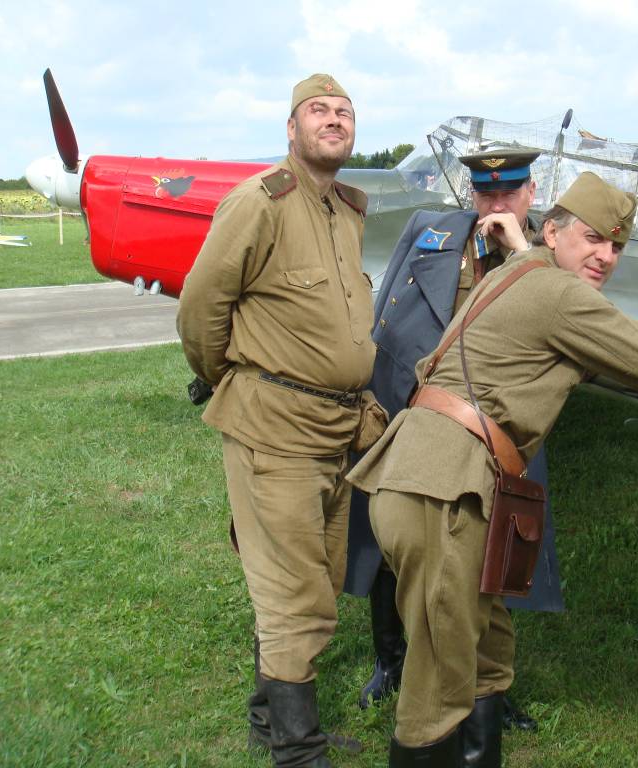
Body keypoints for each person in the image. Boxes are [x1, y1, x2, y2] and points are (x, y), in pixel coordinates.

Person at [348, 172, 638, 766]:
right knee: (438, 684)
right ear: (551, 233)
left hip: (429, 476)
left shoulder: (516, 274)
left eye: (616, 246)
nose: (605, 256)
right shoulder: (559, 293)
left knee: (487, 653)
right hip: (443, 492)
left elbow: (585, 344)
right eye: (593, 238)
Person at [177, 73, 373, 768]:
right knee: (296, 596)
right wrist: (230, 378)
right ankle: (298, 751)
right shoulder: (258, 202)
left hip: (338, 431)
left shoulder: (346, 210)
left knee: (318, 576)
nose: (334, 119)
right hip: (276, 430)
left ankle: (269, 718)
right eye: (318, 110)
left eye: (344, 112)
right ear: (291, 128)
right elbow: (201, 306)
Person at [345, 149, 560, 730]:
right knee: (392, 543)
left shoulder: (543, 254)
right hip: (411, 406)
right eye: (486, 193)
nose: (497, 204)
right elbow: (386, 306)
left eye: (509, 193)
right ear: (471, 194)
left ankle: (489, 689)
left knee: (494, 549)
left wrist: (522, 250)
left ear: (530, 193)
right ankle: (391, 661)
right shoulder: (431, 229)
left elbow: (573, 314)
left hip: (493, 428)